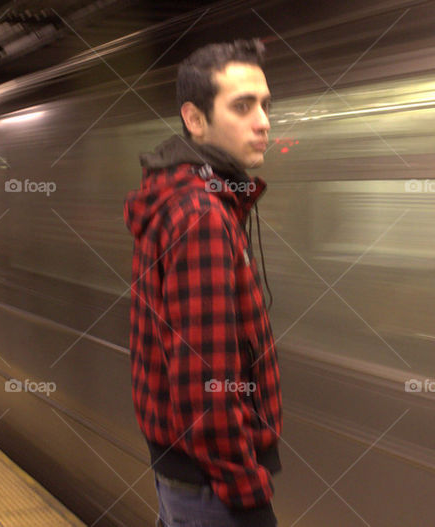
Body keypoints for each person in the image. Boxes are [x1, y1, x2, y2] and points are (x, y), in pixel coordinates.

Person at [124, 39, 282, 526]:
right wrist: (249, 497)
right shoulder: (201, 215)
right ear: (194, 120)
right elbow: (205, 386)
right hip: (213, 489)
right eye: (242, 106)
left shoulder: (190, 198)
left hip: (188, 477)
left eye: (265, 105)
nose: (264, 122)